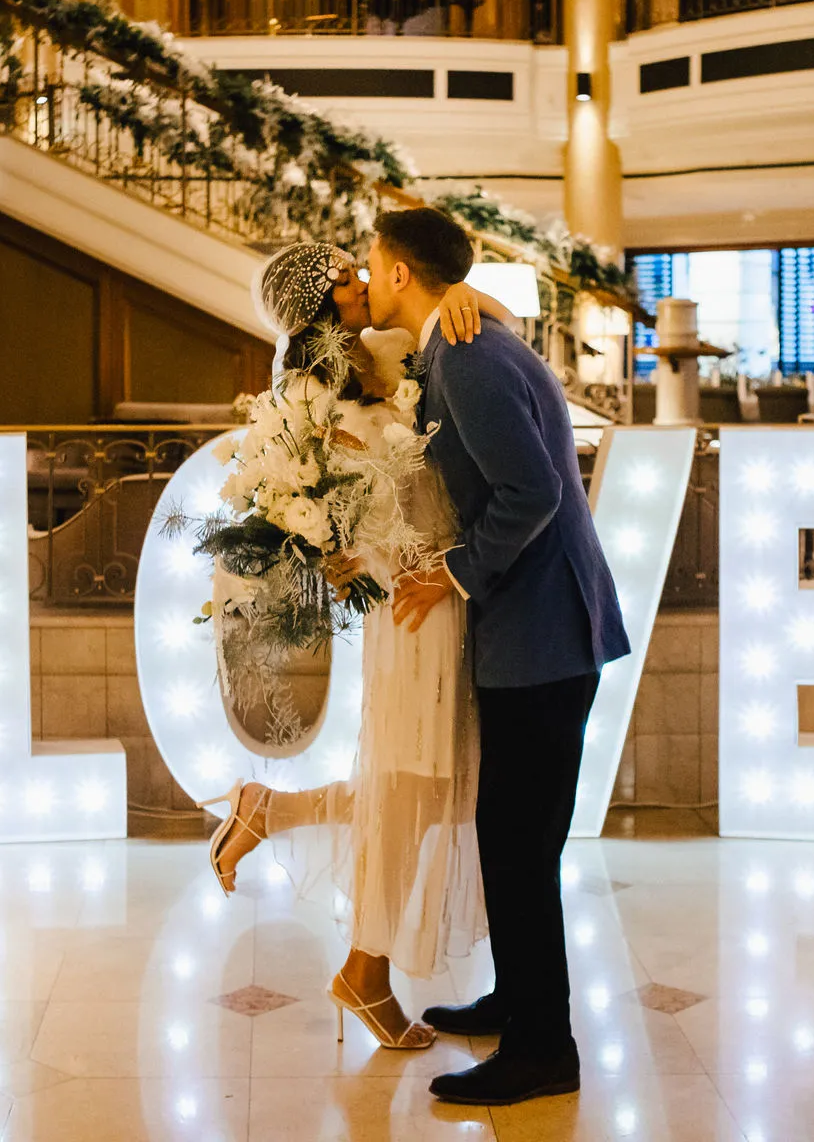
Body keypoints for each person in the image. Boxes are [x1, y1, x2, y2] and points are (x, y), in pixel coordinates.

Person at [200, 240, 511, 1051]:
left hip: (447, 584)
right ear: (322, 304)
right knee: (423, 787)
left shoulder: (392, 347)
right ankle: (364, 973)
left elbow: (497, 329)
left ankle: (274, 814)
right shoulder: (307, 401)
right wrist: (336, 550)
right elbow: (321, 508)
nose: (365, 279)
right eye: (347, 275)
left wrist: (464, 296)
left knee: (436, 789)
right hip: (411, 598)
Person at [368, 207, 631, 1107]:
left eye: (371, 262)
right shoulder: (460, 344)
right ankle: (516, 1001)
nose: (366, 276)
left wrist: (454, 574)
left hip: (544, 635)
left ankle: (543, 1049)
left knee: (519, 847)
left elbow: (533, 491)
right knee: (513, 838)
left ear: (400, 272)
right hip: (539, 631)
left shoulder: (470, 357)